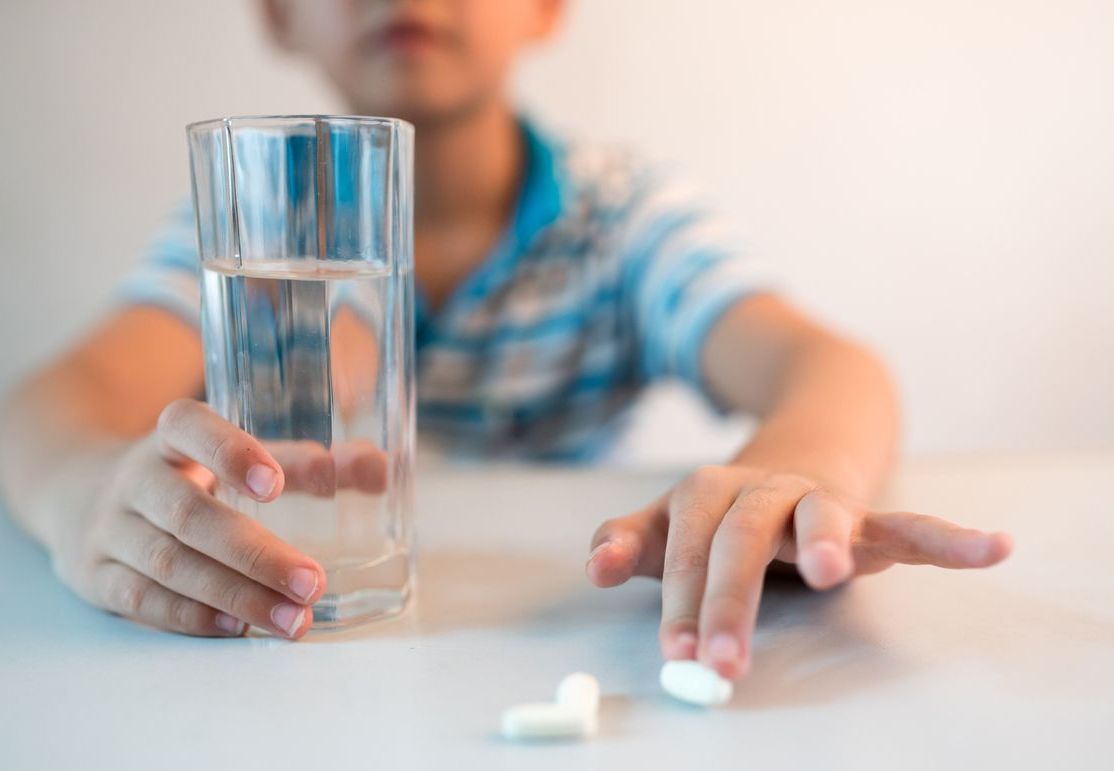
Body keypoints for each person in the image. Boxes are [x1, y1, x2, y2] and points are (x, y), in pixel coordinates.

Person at [0, 0, 1011, 680]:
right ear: (274, 13)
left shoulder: (622, 217)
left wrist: (789, 473)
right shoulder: (247, 234)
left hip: (567, 631)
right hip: (313, 656)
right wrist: (84, 492)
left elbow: (830, 367)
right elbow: (51, 406)